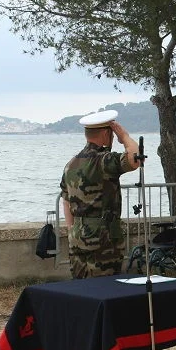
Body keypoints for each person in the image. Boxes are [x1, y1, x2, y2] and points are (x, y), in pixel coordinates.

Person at [60, 110, 139, 279]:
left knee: (80, 287)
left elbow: (65, 200)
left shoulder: (71, 164)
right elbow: (135, 159)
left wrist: (72, 229)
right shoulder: (104, 160)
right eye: (111, 134)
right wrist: (124, 137)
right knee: (105, 287)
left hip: (77, 236)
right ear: (105, 134)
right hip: (103, 238)